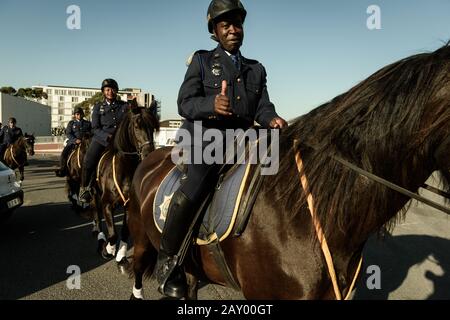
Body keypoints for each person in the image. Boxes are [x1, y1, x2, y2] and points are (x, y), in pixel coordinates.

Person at [154, 0, 288, 299]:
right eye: (225, 25)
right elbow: (185, 103)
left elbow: (263, 106)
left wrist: (272, 118)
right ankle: (168, 261)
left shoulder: (256, 69)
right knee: (198, 181)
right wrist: (211, 105)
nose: (232, 30)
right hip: (205, 139)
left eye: (236, 24)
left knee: (278, 172)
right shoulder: (202, 62)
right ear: (215, 31)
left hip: (243, 141)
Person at [78, 79, 129, 203]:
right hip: (102, 140)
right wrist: (107, 136)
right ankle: (85, 188)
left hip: (120, 141)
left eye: (112, 89)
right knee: (88, 159)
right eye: (107, 89)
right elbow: (95, 128)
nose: (110, 91)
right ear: (103, 92)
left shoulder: (124, 106)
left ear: (116, 91)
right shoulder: (97, 107)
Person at [55, 107, 92, 177]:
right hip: (73, 142)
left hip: (85, 143)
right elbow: (68, 133)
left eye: (80, 114)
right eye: (77, 114)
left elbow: (91, 132)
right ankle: (63, 169)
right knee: (64, 153)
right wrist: (75, 140)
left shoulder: (88, 123)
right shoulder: (71, 123)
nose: (79, 115)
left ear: (83, 114)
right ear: (75, 115)